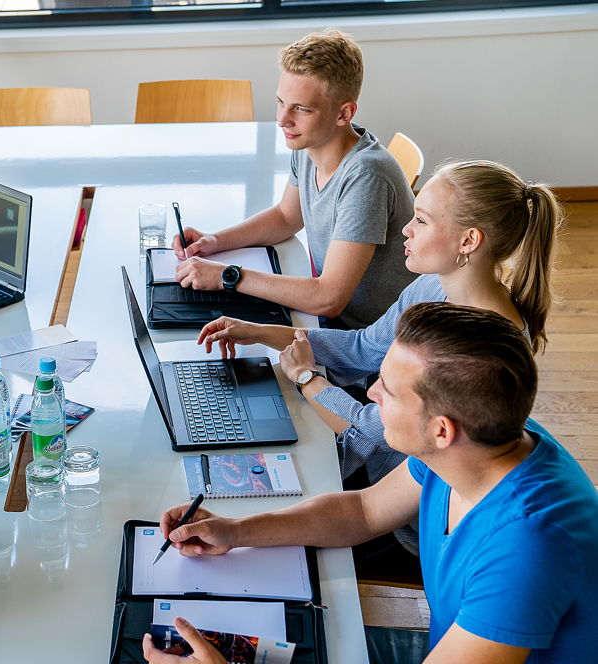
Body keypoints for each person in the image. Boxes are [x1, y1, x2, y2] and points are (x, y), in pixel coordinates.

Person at [147, 303, 598, 664]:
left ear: (441, 429)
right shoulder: (475, 445)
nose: (371, 393)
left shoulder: (529, 546)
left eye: (390, 389)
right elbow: (362, 511)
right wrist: (236, 531)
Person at [197, 160, 562, 553]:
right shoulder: (433, 285)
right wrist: (262, 333)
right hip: (373, 474)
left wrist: (307, 380)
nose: (405, 229)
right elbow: (363, 349)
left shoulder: (481, 350)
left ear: (468, 240)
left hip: (404, 519)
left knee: (249, 487)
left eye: (420, 220)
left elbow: (377, 432)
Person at [172, 29, 415, 330]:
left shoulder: (367, 176)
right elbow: (287, 216)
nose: (283, 119)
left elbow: (329, 297)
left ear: (344, 113)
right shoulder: (310, 142)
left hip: (371, 336)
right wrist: (215, 241)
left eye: (301, 108)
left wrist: (227, 275)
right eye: (281, 102)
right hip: (331, 318)